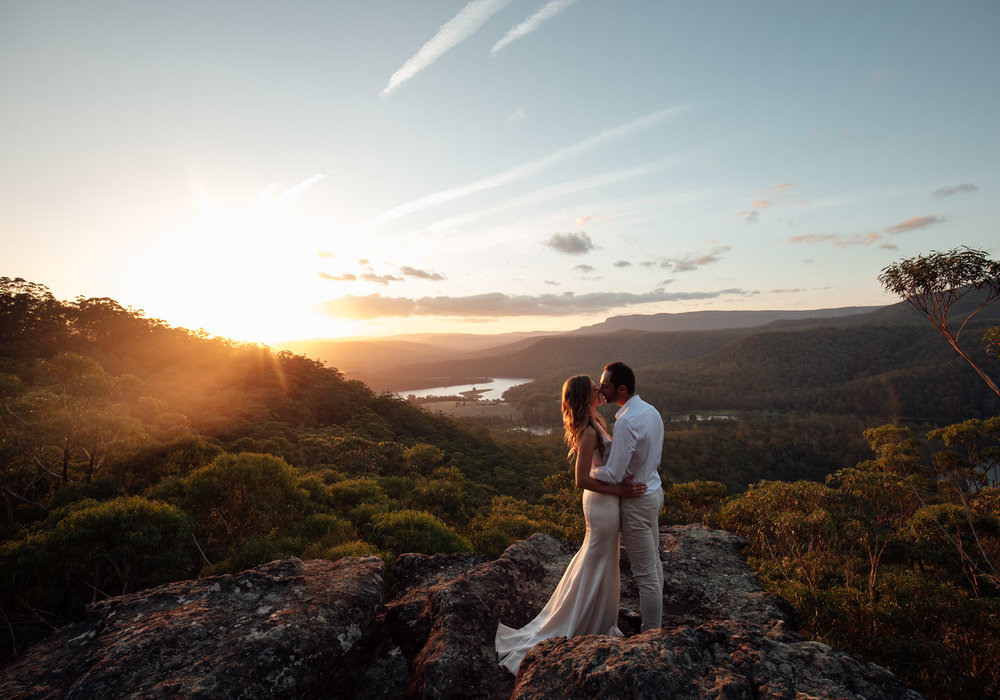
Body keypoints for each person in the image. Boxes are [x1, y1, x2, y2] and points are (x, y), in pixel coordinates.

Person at [495, 374, 645, 675]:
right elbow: (581, 480)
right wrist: (621, 491)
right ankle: (581, 623)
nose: (599, 390)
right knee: (597, 560)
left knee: (600, 560)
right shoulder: (589, 431)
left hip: (605, 502)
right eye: (593, 388)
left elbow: (606, 466)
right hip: (600, 504)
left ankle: (600, 620)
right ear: (584, 395)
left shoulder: (596, 422)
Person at [593, 361, 665, 632]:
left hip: (636, 502)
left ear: (622, 389)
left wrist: (591, 470)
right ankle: (652, 620)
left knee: (646, 574)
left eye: (606, 385)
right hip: (654, 491)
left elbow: (613, 474)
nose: (602, 389)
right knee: (655, 564)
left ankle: (652, 633)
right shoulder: (651, 411)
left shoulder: (626, 422)